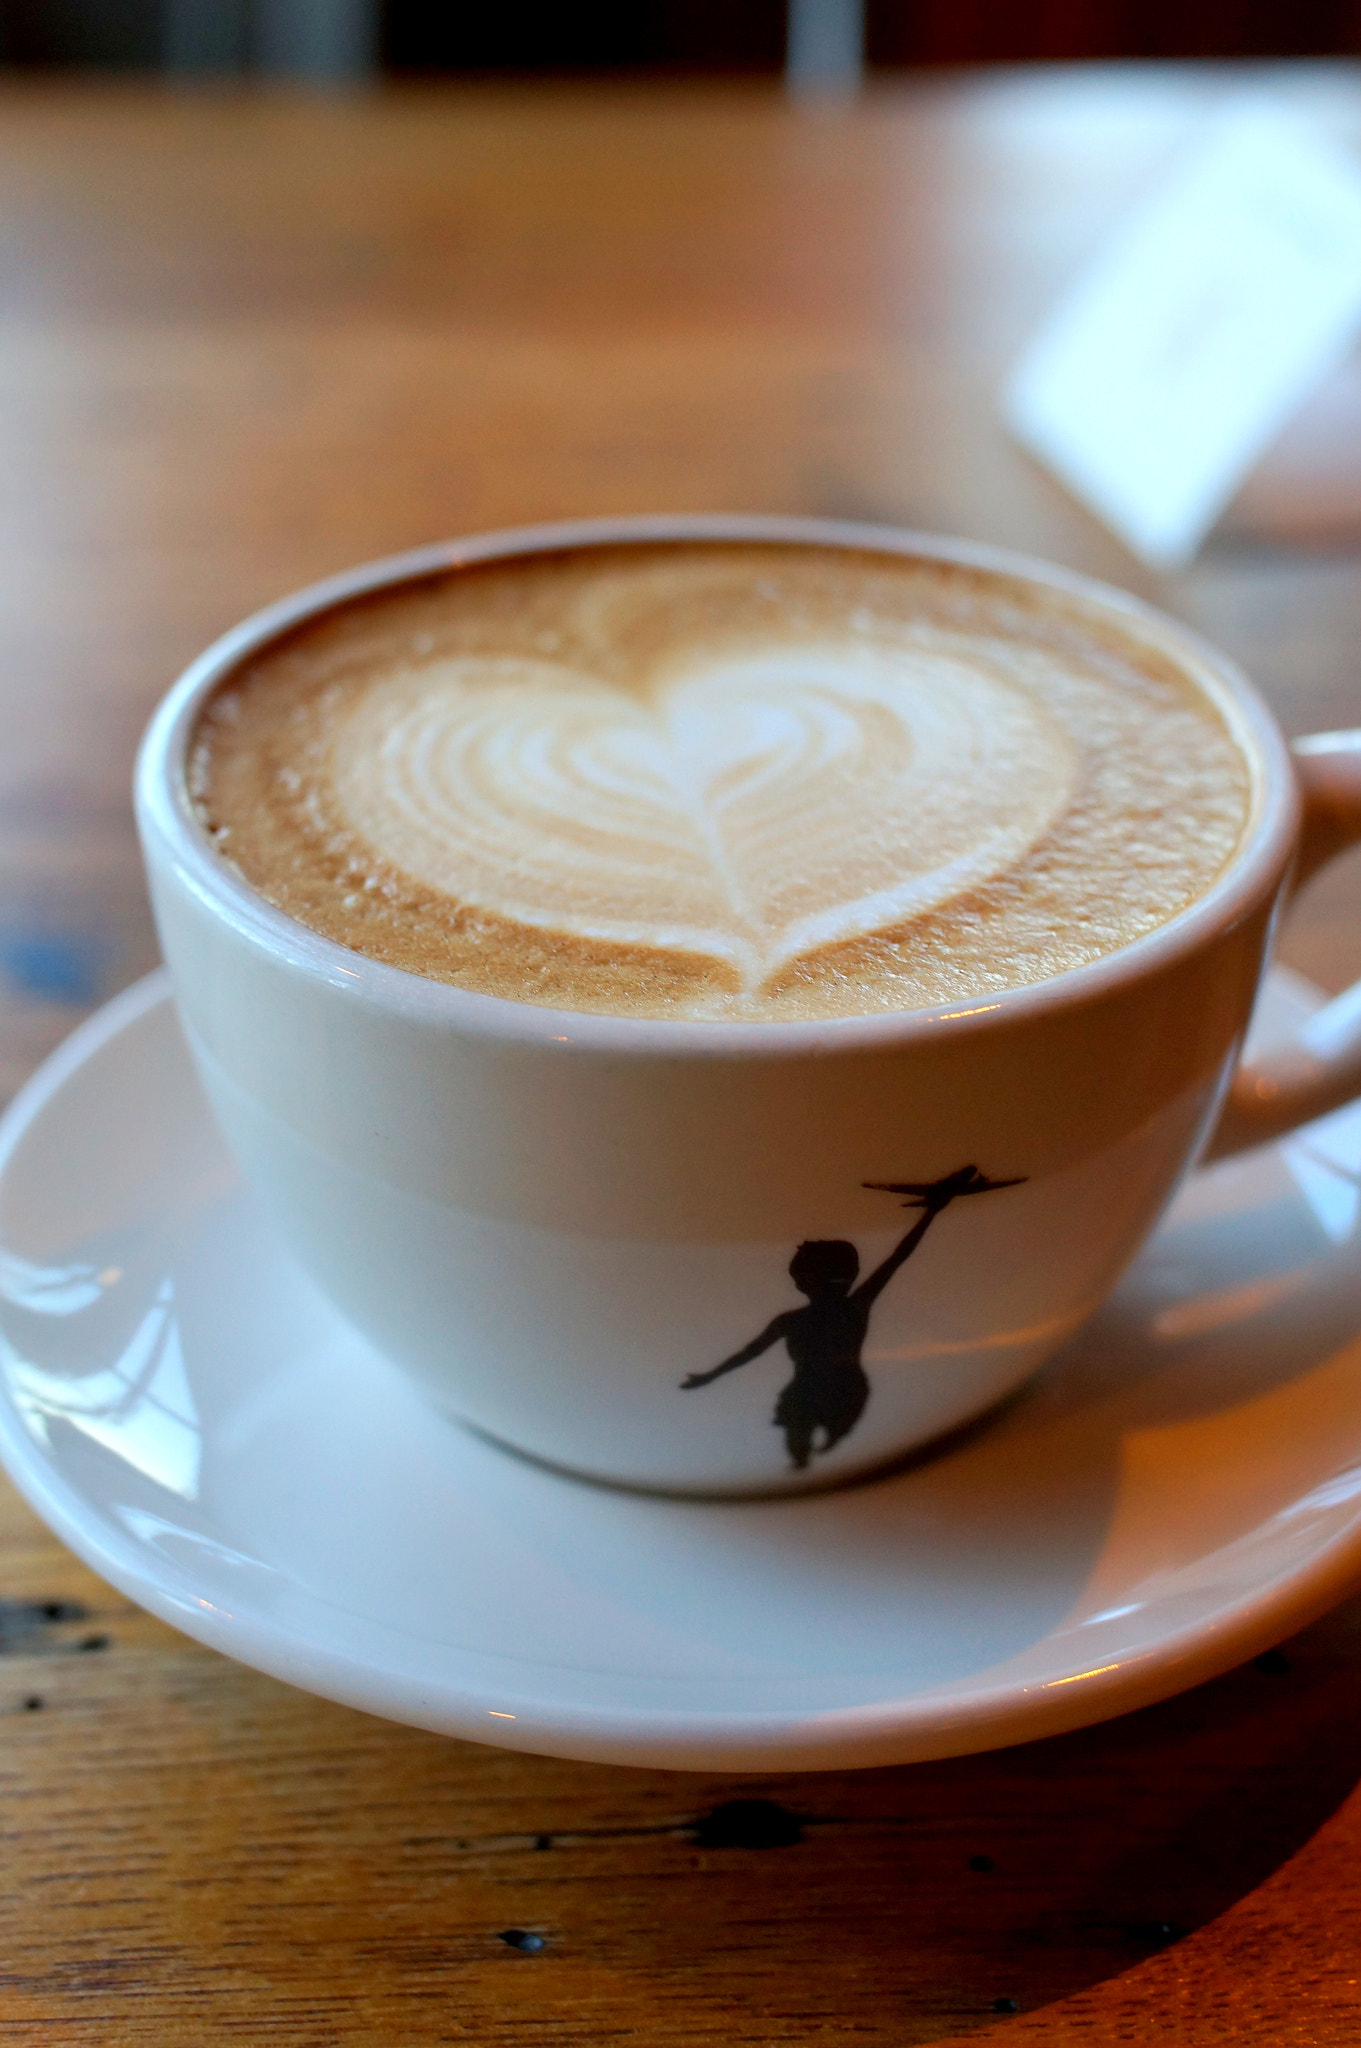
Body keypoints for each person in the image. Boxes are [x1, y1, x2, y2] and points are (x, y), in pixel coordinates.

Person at [681, 1164, 1024, 1469]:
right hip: (832, 1388)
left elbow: (898, 1257)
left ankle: (806, 1462)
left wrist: (710, 1377)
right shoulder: (851, 1306)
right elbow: (897, 1257)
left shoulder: (802, 1318)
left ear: (798, 1281)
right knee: (804, 1442)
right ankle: (804, 1463)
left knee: (812, 1442)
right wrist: (931, 1213)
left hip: (832, 1389)